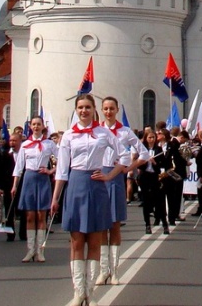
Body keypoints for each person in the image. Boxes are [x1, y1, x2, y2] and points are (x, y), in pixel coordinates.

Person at [51, 94, 124, 306]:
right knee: (76, 242)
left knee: (94, 239)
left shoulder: (103, 133)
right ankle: (78, 292)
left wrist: (109, 175)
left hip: (96, 185)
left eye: (88, 107)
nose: (84, 111)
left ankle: (90, 293)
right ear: (76, 109)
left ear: (94, 110)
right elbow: (62, 170)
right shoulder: (68, 136)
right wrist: (55, 198)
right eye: (80, 107)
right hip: (75, 185)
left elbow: (125, 156)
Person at [97, 97, 141, 285]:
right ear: (102, 110)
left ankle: (114, 271)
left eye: (111, 109)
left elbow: (144, 153)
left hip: (115, 178)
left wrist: (127, 168)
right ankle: (103, 270)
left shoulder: (125, 131)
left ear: (116, 110)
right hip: (99, 178)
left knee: (114, 224)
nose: (108, 112)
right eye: (105, 109)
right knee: (100, 226)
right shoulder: (96, 131)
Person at [12, 116, 57, 263]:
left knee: (41, 215)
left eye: (39, 124)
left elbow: (62, 160)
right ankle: (30, 250)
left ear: (43, 126)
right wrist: (14, 185)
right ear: (30, 127)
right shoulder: (25, 144)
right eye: (34, 124)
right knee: (30, 216)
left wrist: (51, 171)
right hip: (29, 179)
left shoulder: (49, 144)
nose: (36, 127)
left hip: (42, 179)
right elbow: (18, 167)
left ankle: (40, 250)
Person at [136, 129, 166, 234]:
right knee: (146, 202)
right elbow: (138, 164)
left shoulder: (159, 149)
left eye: (153, 137)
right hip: (145, 177)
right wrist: (144, 162)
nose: (152, 139)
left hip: (154, 177)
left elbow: (163, 165)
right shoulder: (143, 150)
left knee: (158, 201)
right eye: (149, 137)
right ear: (146, 139)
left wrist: (154, 162)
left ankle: (164, 223)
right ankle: (147, 225)